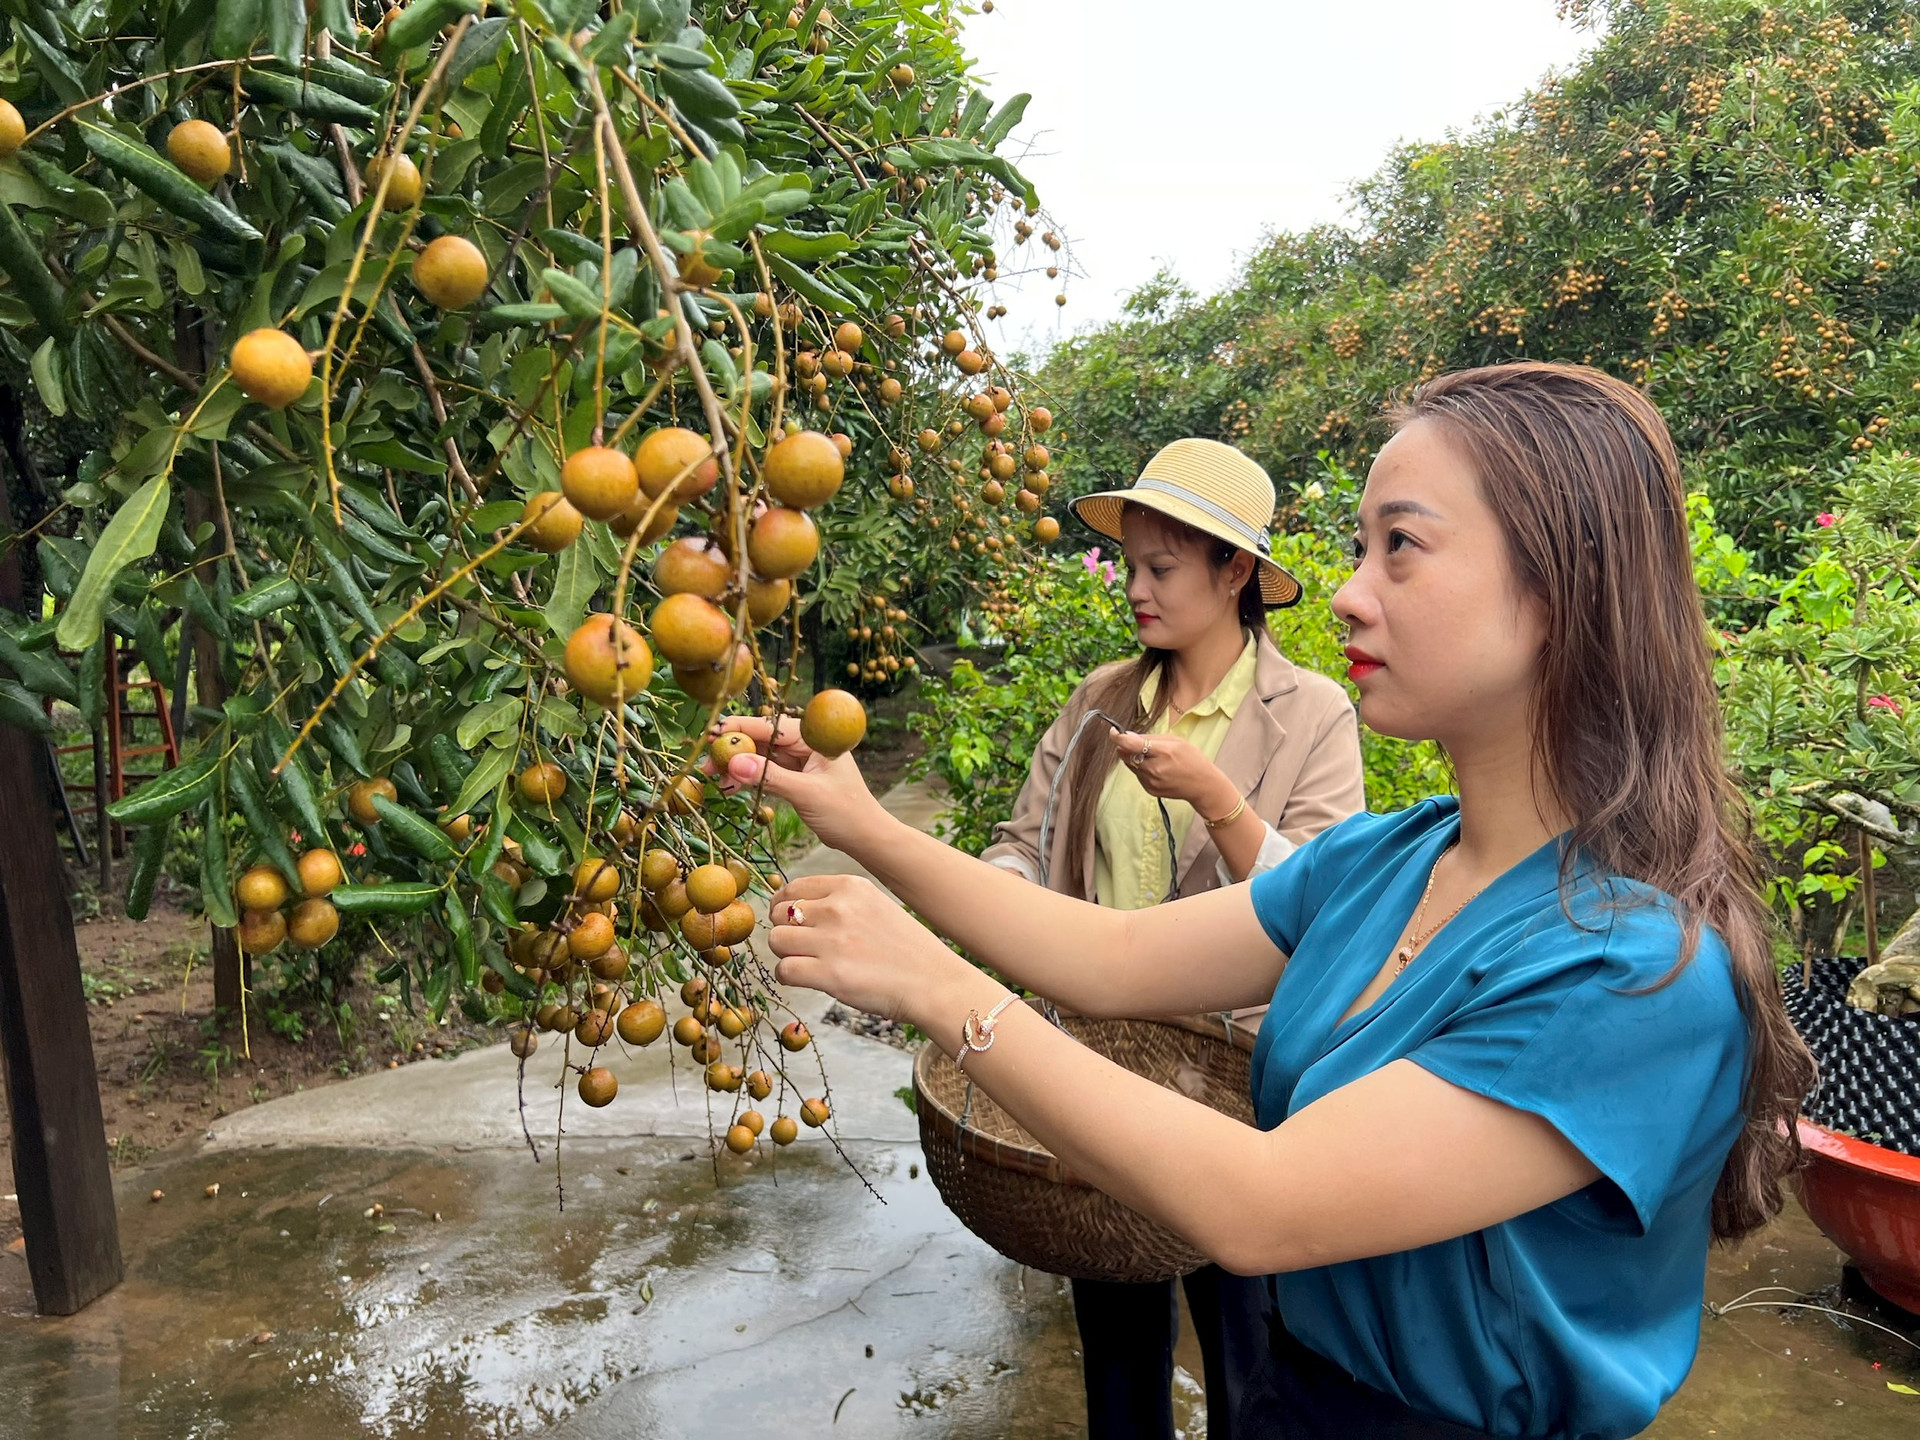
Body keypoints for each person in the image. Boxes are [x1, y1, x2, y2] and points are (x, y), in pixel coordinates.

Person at [723, 362, 1814, 1439]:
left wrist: (934, 985)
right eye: (1357, 548)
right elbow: (1107, 959)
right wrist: (861, 823)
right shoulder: (1386, 862)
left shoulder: (1631, 967)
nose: (1348, 591)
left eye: (1403, 545)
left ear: (1559, 589)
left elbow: (1260, 1203)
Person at [977, 436, 1365, 1438]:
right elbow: (1023, 843)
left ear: (1235, 572)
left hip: (1236, 1088)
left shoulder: (1311, 715)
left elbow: (1324, 909)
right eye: (1132, 568)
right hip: (1098, 1071)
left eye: (1162, 570)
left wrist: (1221, 800)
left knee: (1250, 1358)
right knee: (1118, 1354)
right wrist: (995, 905)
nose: (1136, 593)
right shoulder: (1102, 702)